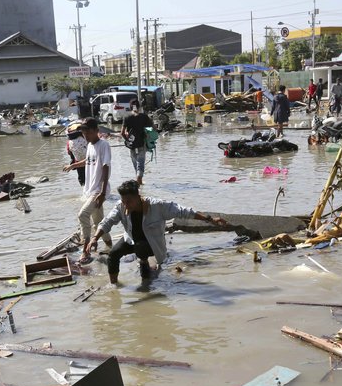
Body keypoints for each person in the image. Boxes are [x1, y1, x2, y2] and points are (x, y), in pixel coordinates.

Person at [85, 180, 227, 284]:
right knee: (114, 254)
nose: (126, 205)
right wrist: (95, 238)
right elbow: (107, 221)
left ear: (138, 196)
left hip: (152, 245)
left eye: (129, 201)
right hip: (131, 239)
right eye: (123, 201)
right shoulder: (121, 206)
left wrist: (210, 219)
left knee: (141, 251)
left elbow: (184, 211)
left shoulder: (157, 206)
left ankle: (145, 269)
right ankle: (114, 286)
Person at [63, 117, 114, 257]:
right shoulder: (90, 145)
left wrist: (103, 192)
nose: (86, 135)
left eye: (88, 132)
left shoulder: (104, 145)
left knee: (82, 215)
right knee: (99, 223)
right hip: (90, 189)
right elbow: (89, 160)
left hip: (98, 190)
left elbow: (105, 167)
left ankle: (86, 249)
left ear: (96, 131)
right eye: (84, 133)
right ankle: (111, 248)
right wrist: (74, 165)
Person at [121, 105, 153, 185]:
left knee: (135, 162)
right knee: (141, 162)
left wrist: (127, 140)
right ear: (139, 107)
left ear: (131, 107)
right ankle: (139, 177)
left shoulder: (127, 117)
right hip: (141, 142)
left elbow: (122, 133)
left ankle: (138, 180)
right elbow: (152, 128)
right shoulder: (144, 117)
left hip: (131, 143)